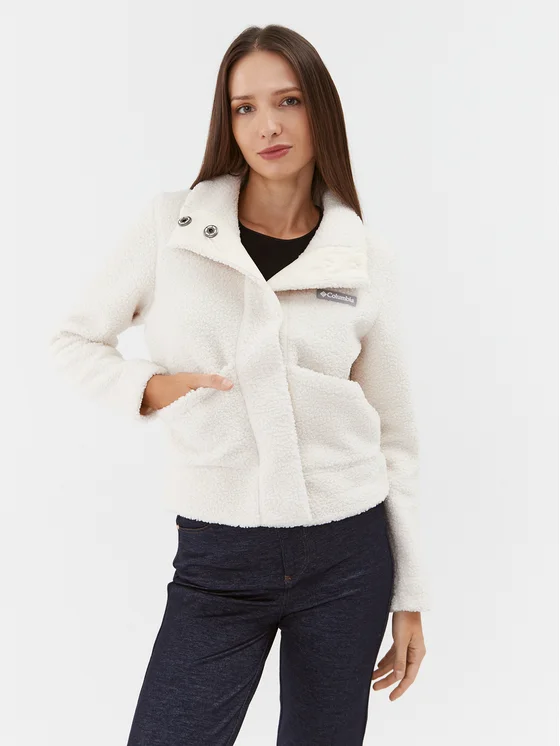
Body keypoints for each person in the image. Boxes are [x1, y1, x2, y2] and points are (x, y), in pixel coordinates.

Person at [48, 23, 431, 746]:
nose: (267, 125)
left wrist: (410, 595)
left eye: (288, 101)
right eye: (244, 107)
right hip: (217, 557)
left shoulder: (363, 256)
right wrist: (153, 388)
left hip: (349, 558)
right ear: (226, 122)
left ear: (320, 108)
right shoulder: (171, 228)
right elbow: (72, 341)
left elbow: (397, 436)